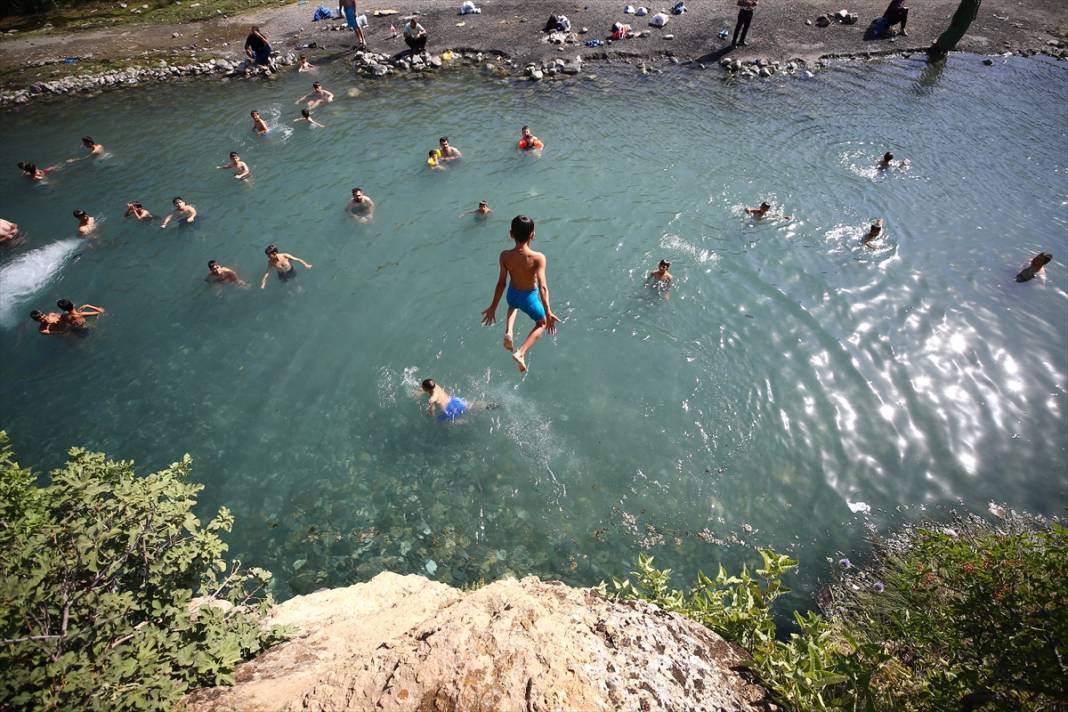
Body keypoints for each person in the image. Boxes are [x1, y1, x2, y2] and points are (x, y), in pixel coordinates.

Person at [481, 215, 559, 373]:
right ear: (533, 235)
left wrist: (493, 307)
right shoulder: (538, 258)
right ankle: (521, 352)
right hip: (529, 297)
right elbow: (543, 287)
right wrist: (549, 312)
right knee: (541, 323)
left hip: (512, 293)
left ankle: (509, 332)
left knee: (512, 306)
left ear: (511, 234)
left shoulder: (504, 256)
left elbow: (501, 283)